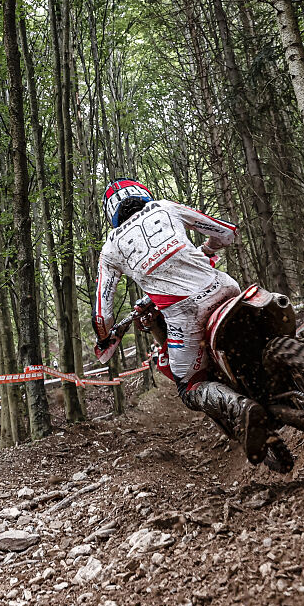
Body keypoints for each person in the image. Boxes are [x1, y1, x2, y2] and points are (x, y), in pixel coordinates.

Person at [91, 178, 269, 465]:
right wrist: (208, 250)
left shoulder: (111, 247)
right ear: (144, 194)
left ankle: (240, 406)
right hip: (226, 288)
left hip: (185, 313)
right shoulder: (165, 207)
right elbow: (226, 233)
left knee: (188, 386)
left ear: (111, 213)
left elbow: (102, 313)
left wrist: (105, 337)